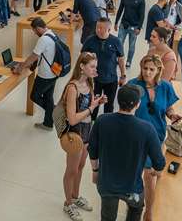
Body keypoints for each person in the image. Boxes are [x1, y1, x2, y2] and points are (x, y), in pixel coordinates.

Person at [88, 85, 166, 221]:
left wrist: (95, 171)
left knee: (107, 217)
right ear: (138, 104)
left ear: (118, 101)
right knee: (136, 210)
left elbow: (92, 150)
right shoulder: (147, 129)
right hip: (132, 187)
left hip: (107, 184)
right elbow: (159, 163)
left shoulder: (102, 120)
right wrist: (156, 169)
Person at [128, 55, 181, 221]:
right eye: (145, 68)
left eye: (152, 69)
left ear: (159, 70)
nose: (147, 72)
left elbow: (168, 108)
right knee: (135, 177)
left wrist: (172, 115)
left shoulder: (165, 87)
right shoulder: (133, 85)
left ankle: (149, 211)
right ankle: (134, 209)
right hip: (135, 138)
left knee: (150, 178)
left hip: (155, 138)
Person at [54, 52, 106, 221]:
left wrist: (96, 103)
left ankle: (75, 196)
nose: (95, 70)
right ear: (82, 67)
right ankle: (68, 203)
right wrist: (91, 109)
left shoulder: (90, 84)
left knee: (81, 165)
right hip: (75, 133)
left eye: (95, 67)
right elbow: (73, 118)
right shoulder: (72, 88)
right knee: (71, 170)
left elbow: (88, 108)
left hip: (87, 130)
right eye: (92, 66)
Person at [13, 17, 58, 130]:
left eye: (34, 30)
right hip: (55, 72)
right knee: (48, 97)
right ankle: (48, 123)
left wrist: (20, 68)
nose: (34, 33)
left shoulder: (43, 39)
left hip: (45, 75)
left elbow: (33, 57)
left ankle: (54, 111)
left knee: (34, 96)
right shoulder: (52, 34)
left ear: (38, 28)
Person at [82, 18, 127, 118]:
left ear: (109, 29)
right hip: (94, 80)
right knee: (93, 103)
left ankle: (106, 124)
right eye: (97, 27)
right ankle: (92, 123)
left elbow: (121, 59)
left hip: (111, 80)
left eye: (102, 28)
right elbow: (82, 57)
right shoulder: (90, 40)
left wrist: (123, 75)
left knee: (109, 105)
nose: (98, 30)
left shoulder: (116, 41)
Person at [115, 0, 146, 68]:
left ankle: (128, 61)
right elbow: (120, 10)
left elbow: (142, 15)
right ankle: (120, 58)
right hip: (123, 25)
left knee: (131, 46)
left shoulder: (141, 0)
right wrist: (116, 22)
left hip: (134, 27)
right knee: (119, 43)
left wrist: (139, 28)